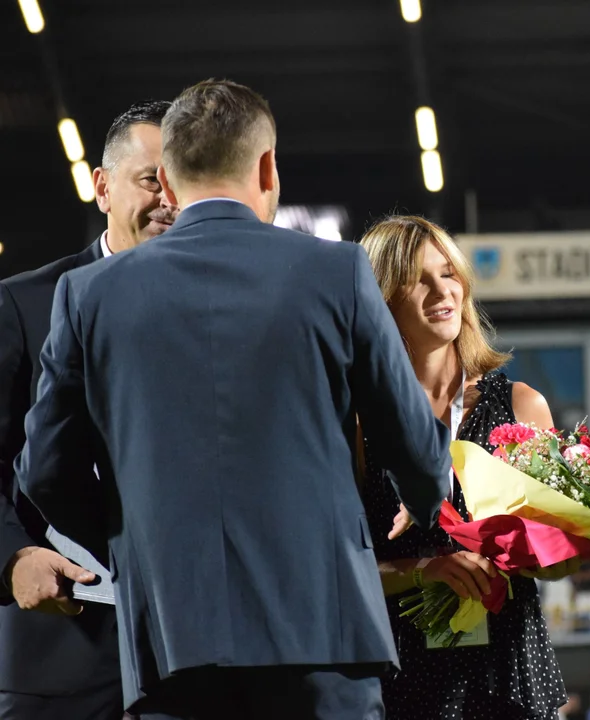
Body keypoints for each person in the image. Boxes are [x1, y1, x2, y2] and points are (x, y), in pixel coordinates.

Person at [16, 79, 451, 719]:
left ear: (167, 178)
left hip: (170, 642)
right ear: (268, 167)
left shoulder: (88, 295)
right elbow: (411, 442)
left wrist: (134, 541)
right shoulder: (337, 272)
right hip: (322, 636)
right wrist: (424, 498)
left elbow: (43, 471)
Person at [358, 215, 575, 719]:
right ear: (381, 298)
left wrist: (547, 552)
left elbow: (562, 560)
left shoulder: (521, 406)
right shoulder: (355, 420)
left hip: (507, 673)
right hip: (399, 679)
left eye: (449, 273)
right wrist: (422, 570)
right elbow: (333, 568)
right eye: (418, 279)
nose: (442, 291)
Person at [0, 99, 174, 719]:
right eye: (151, 178)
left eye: (183, 181)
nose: (167, 198)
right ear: (102, 187)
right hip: (63, 648)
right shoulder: (22, 305)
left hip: (193, 651)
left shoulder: (220, 313)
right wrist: (13, 556)